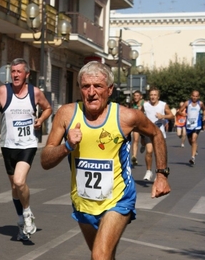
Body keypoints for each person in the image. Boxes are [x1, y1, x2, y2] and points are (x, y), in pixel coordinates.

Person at [41, 61, 171, 259]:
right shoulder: (67, 114)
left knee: (99, 256)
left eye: (98, 86)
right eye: (86, 86)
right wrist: (66, 146)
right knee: (105, 256)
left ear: (109, 90)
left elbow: (156, 134)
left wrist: (161, 174)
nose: (91, 92)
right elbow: (45, 160)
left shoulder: (125, 117)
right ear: (80, 88)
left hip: (118, 199)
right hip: (83, 202)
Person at [0, 58, 52, 241]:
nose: (15, 75)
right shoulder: (3, 91)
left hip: (27, 145)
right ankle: (21, 220)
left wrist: (41, 120)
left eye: (18, 71)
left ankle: (28, 213)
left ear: (27, 75)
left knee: (20, 181)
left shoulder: (35, 93)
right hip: (7, 145)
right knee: (14, 187)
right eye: (13, 71)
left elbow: (47, 108)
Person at [142, 87, 174, 181]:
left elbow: (172, 115)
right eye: (151, 95)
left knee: (158, 154)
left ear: (158, 96)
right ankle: (148, 171)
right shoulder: (145, 105)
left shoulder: (163, 105)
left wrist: (163, 116)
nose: (153, 97)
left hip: (160, 133)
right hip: (148, 132)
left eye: (155, 95)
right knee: (149, 151)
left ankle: (159, 173)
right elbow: (139, 115)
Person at [179, 90, 205, 166]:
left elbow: (204, 110)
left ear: (199, 97)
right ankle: (195, 148)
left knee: (194, 139)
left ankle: (192, 158)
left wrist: (204, 116)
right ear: (191, 96)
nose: (195, 97)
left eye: (196, 96)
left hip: (197, 124)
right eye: (193, 96)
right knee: (190, 141)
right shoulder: (187, 103)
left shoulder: (200, 103)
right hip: (189, 125)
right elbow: (179, 111)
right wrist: (183, 113)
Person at [130, 90, 145, 165]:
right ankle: (134, 157)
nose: (135, 97)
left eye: (137, 96)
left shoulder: (145, 103)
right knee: (135, 140)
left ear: (141, 97)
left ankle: (143, 145)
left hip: (144, 125)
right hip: (136, 125)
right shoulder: (132, 103)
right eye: (134, 96)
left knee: (143, 140)